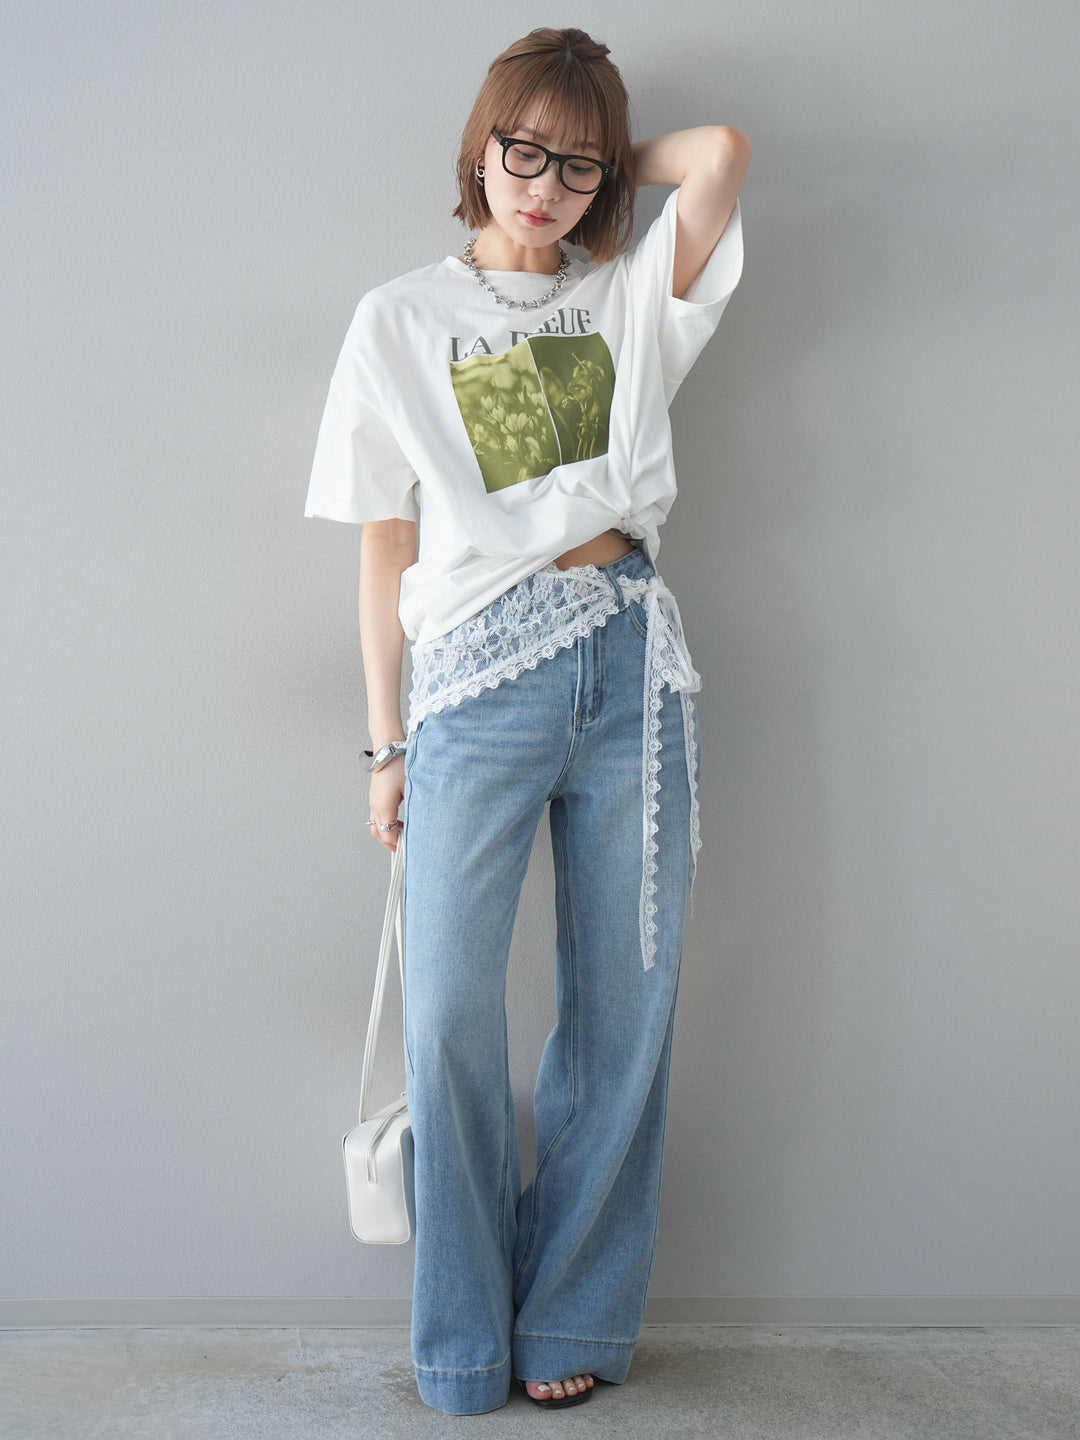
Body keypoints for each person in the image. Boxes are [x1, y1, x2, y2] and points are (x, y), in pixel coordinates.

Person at [304, 26, 750, 1416]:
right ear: (479, 145)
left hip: (630, 663)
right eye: (522, 152)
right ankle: (458, 1337)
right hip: (477, 682)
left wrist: (612, 166)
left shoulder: (628, 297)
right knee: (449, 1017)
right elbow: (385, 542)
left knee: (624, 1015)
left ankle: (573, 1318)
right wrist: (386, 741)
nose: (543, 186)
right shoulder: (399, 319)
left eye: (576, 166)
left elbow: (722, 157)